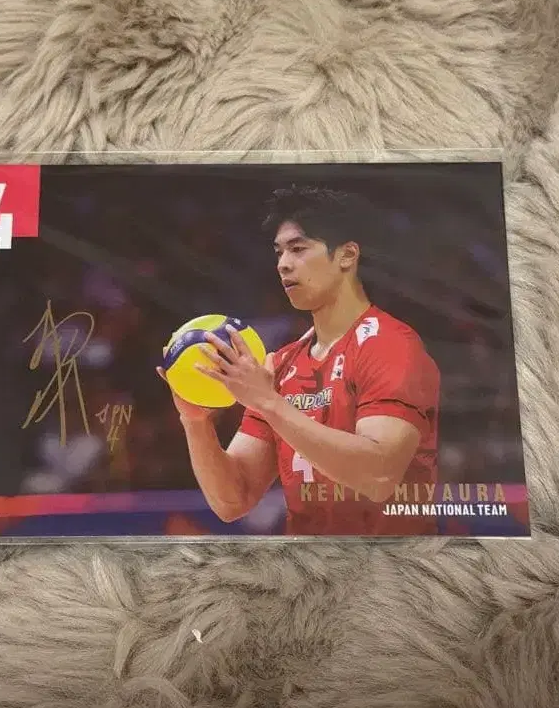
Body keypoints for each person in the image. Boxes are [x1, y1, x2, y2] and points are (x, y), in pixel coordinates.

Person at [157, 185, 441, 536]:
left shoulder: (390, 344)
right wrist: (195, 422)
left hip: (386, 564)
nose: (283, 264)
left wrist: (268, 402)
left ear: (347, 255)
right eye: (279, 252)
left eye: (298, 249)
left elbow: (379, 476)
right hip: (309, 563)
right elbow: (233, 500)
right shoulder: (282, 363)